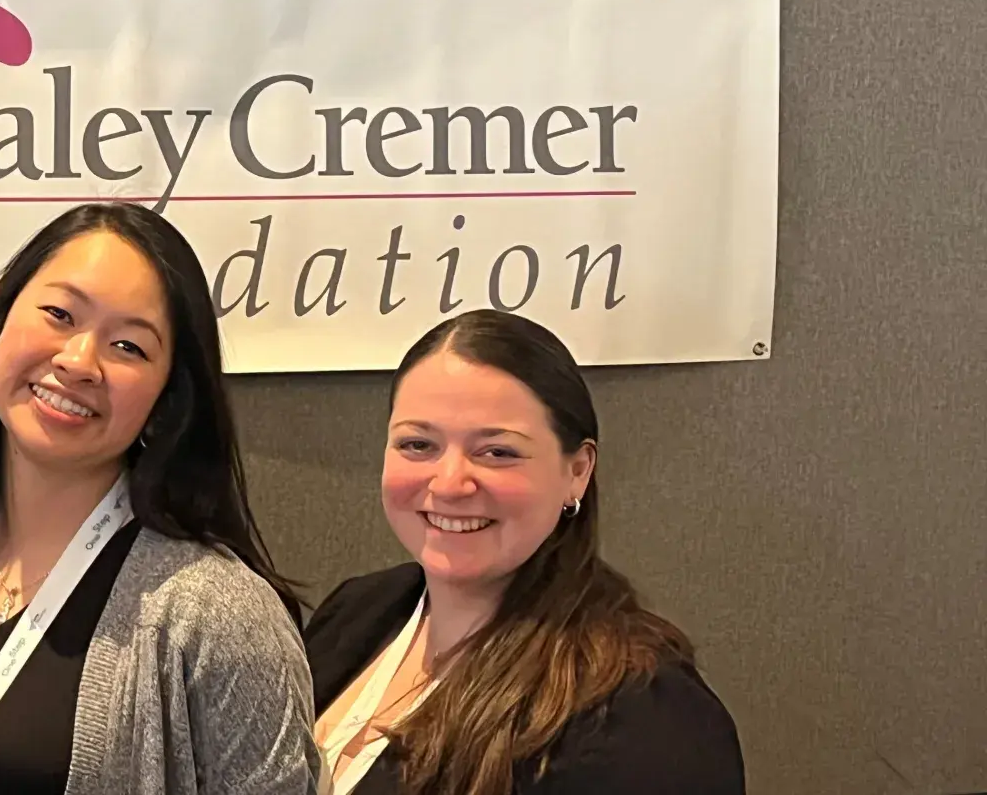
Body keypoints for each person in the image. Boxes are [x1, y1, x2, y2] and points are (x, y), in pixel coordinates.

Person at [0, 202, 320, 795]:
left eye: (129, 347)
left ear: (169, 395)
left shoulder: (218, 616)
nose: (79, 361)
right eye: (59, 314)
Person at [304, 309, 745, 794]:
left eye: (497, 452)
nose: (449, 483)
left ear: (577, 470)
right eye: (418, 444)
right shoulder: (358, 611)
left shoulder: (641, 711)